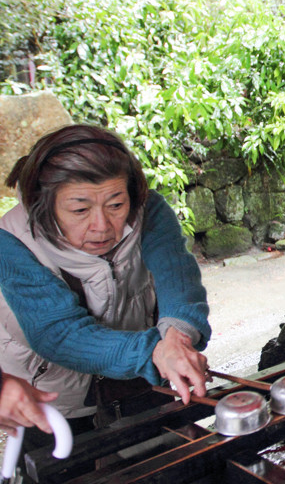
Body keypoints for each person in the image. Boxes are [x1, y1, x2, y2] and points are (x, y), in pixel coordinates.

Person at [0, 124, 211, 440]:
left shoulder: (148, 210)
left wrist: (177, 336)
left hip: (139, 381)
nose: (101, 226)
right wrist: (153, 351)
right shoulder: (11, 241)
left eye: (116, 205)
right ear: (43, 204)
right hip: (49, 400)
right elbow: (56, 333)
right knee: (67, 481)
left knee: (160, 466)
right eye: (80, 209)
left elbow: (177, 278)